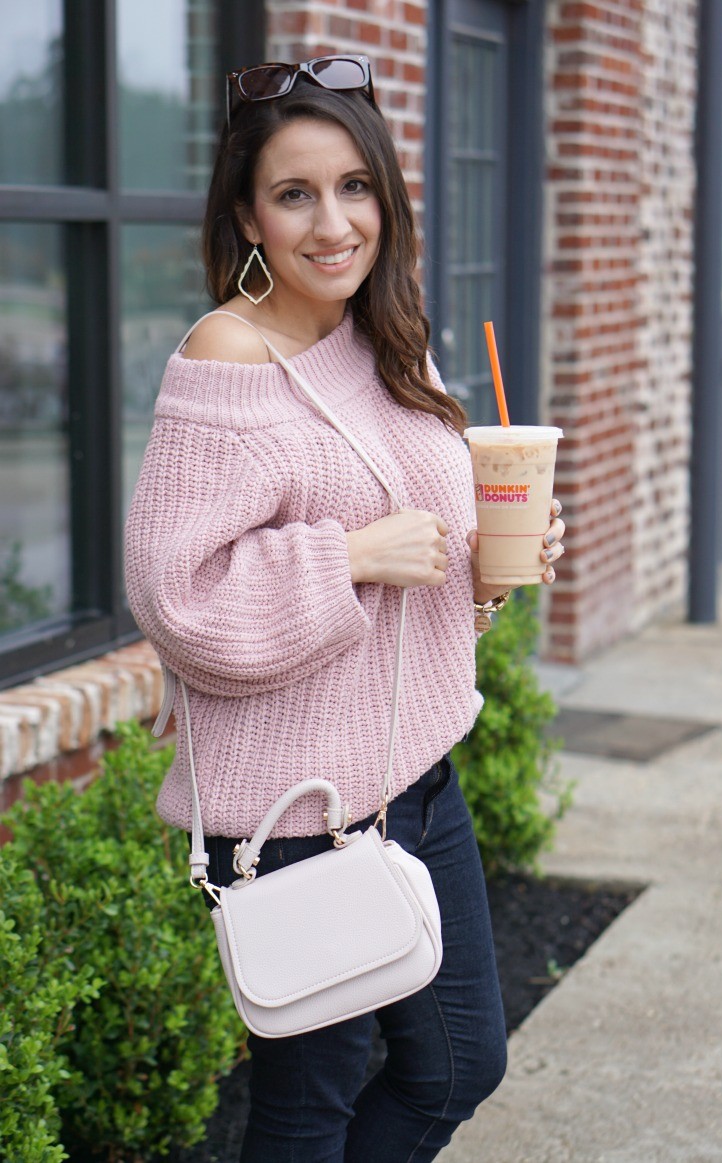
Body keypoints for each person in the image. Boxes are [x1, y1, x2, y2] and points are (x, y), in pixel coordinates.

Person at [124, 54, 565, 1163]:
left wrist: (481, 569)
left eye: (355, 186)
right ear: (248, 217)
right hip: (297, 814)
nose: (334, 221)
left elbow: (421, 557)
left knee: (461, 1064)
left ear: (387, 197)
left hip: (415, 774)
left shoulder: (381, 339)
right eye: (295, 193)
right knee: (308, 1112)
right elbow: (178, 598)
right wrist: (354, 556)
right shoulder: (230, 356)